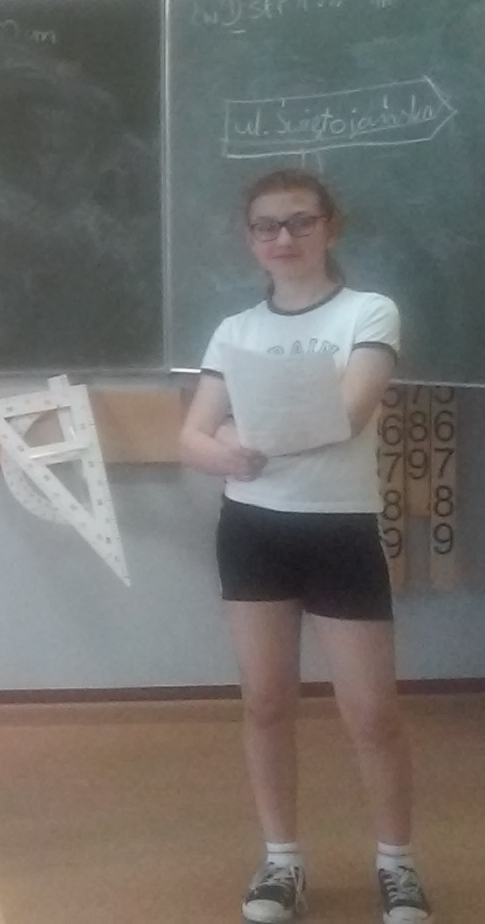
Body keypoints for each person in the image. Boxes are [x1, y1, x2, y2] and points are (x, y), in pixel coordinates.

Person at [176, 169, 430, 924]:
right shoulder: (235, 330)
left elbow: (346, 415)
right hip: (253, 530)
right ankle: (282, 863)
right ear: (249, 238)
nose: (282, 238)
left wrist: (239, 432)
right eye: (266, 226)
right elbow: (191, 437)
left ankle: (397, 865)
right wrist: (221, 448)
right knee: (264, 703)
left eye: (299, 222)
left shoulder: (368, 312)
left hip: (339, 528)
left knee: (372, 712)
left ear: (330, 227)